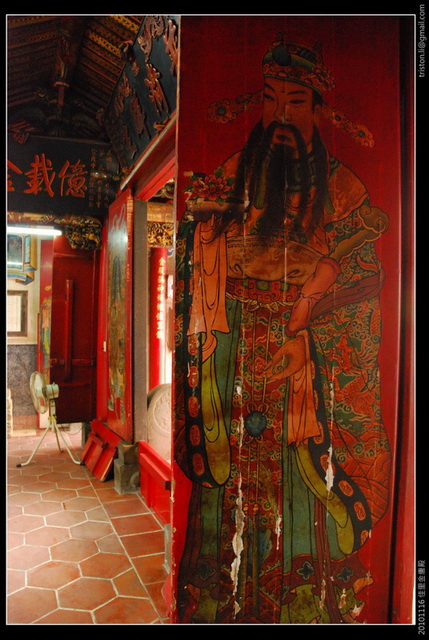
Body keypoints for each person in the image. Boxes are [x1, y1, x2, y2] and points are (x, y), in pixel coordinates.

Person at [174, 36, 391, 624]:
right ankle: (218, 602)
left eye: (295, 101)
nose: (281, 115)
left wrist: (306, 320)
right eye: (271, 99)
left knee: (301, 491)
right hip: (231, 358)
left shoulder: (343, 190)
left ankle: (302, 603)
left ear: (318, 109)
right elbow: (199, 258)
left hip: (306, 372)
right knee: (225, 491)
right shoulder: (233, 174)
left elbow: (364, 280)